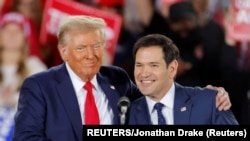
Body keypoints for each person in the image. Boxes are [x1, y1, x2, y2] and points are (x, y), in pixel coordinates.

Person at [13, 15, 232, 141]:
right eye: (81, 48)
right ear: (64, 52)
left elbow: (157, 93)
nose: (91, 55)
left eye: (97, 46)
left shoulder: (116, 78)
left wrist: (205, 95)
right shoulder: (39, 86)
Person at [128, 34, 238, 125]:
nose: (144, 73)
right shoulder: (127, 115)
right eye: (139, 65)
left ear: (172, 69)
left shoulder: (210, 102)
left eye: (153, 65)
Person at [0, 12, 47, 141]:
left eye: (17, 31)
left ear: (25, 37)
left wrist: (13, 100)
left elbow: (44, 102)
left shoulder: (35, 66)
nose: (12, 35)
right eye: (7, 30)